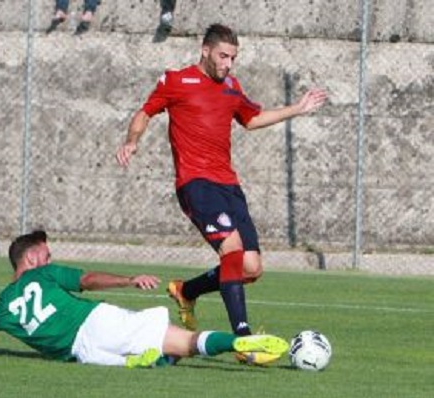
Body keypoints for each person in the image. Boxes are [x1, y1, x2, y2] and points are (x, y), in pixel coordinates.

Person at [116, 24, 327, 365]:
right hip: (195, 183)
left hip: (228, 184)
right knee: (232, 249)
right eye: (223, 56)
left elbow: (252, 118)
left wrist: (296, 109)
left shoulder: (231, 86)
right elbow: (145, 113)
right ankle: (242, 339)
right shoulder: (175, 80)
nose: (228, 64)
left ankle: (186, 291)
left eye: (233, 58)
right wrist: (132, 141)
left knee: (252, 267)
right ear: (205, 50)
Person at [0, 230, 289, 368]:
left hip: (84, 353)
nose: (50, 259)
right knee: (186, 341)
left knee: (147, 360)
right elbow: (87, 279)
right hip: (99, 322)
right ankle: (238, 342)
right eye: (47, 254)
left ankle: (148, 362)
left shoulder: (1, 307)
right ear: (33, 258)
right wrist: (128, 279)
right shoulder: (43, 273)